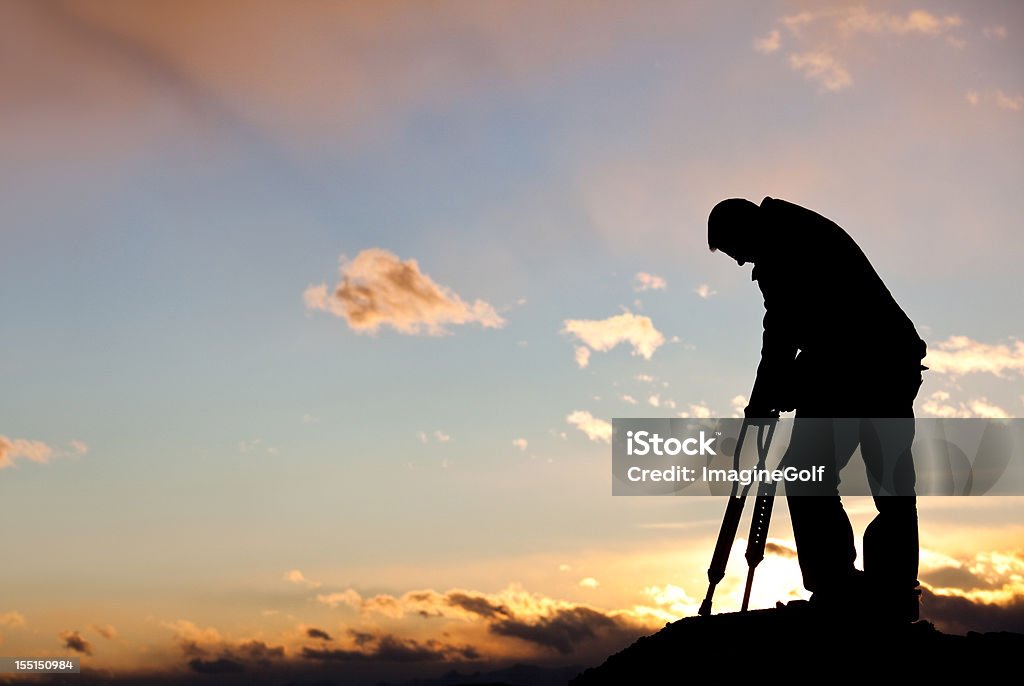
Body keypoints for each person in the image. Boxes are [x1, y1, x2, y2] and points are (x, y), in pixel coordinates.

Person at [707, 196, 927, 622]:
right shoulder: (793, 231)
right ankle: (887, 590)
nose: (739, 265)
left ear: (743, 230)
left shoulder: (782, 246)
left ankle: (845, 588)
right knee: (888, 481)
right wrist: (777, 393)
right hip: (880, 361)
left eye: (734, 252)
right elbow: (817, 325)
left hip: (865, 365)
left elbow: (784, 334)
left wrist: (761, 405)